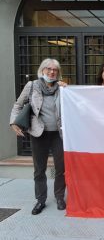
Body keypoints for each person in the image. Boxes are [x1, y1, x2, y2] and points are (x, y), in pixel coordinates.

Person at [10, 58, 67, 215]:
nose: (52, 72)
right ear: (42, 70)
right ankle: (40, 200)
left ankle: (60, 197)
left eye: (55, 69)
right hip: (38, 133)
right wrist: (13, 123)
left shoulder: (62, 88)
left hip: (59, 134)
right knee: (39, 169)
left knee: (61, 168)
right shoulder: (32, 86)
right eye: (48, 69)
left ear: (58, 73)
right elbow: (18, 105)